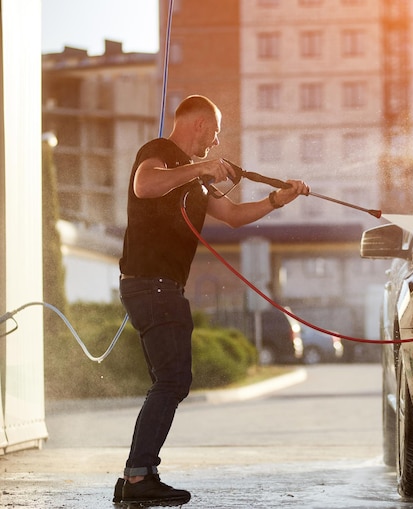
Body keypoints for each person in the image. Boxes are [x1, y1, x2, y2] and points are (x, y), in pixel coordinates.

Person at [113, 95, 309, 505]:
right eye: (215, 132)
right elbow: (144, 185)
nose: (216, 142)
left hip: (161, 288)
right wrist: (200, 166)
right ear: (199, 124)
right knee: (172, 381)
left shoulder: (196, 181)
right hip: (153, 286)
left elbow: (234, 216)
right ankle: (137, 479)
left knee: (168, 381)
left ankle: (136, 475)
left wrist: (277, 200)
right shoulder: (159, 153)